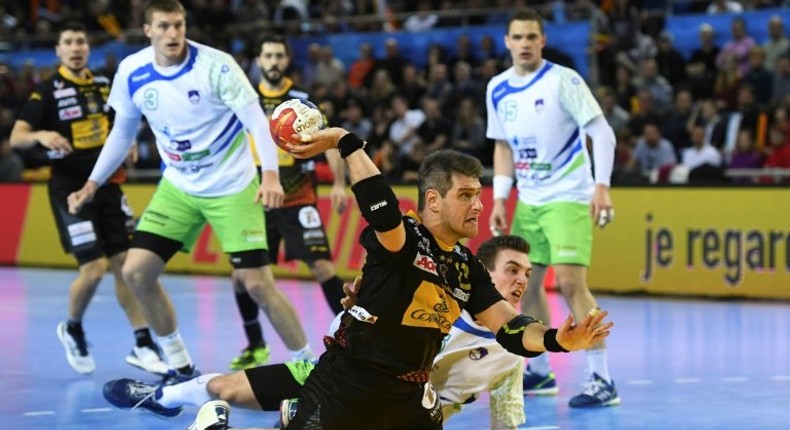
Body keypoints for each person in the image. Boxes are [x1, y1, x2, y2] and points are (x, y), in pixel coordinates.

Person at [211, 129, 610, 428]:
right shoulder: (405, 237)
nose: (479, 204)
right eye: (467, 195)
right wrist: (346, 143)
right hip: (348, 384)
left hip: (410, 397)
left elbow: (509, 327)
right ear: (433, 199)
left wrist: (560, 339)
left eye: (479, 194)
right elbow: (380, 209)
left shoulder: (467, 267)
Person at [66, 0, 313, 382]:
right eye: (163, 26)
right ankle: (179, 363)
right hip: (179, 187)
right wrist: (92, 183)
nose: (172, 34)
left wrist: (270, 175)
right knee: (136, 272)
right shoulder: (132, 71)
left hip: (232, 186)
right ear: (148, 30)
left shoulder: (217, 66)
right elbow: (122, 133)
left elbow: (255, 121)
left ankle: (310, 367)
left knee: (257, 285)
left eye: (178, 25)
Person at [102, 234, 537, 430]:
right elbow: (350, 331)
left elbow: (506, 419)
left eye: (528, 274)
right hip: (340, 377)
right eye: (511, 270)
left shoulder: (513, 347)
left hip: (400, 416)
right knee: (223, 387)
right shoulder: (426, 299)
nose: (521, 282)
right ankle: (158, 397)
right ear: (482, 275)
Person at [8, 21, 167, 376]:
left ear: (87, 48)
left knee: (126, 267)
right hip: (69, 190)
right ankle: (73, 328)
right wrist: (43, 134)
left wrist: (125, 145)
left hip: (107, 186)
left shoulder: (102, 86)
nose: (76, 47)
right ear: (58, 51)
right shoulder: (46, 92)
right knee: (93, 271)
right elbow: (17, 137)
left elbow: (120, 124)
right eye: (69, 42)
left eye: (81, 41)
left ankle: (142, 341)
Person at [486, 9, 620, 408]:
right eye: (518, 37)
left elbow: (603, 132)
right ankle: (540, 370)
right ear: (507, 42)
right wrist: (498, 197)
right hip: (529, 199)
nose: (525, 43)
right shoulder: (497, 88)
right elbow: (502, 147)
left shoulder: (564, 79)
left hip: (569, 196)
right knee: (523, 286)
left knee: (570, 284)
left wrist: (602, 186)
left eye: (532, 36)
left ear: (542, 40)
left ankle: (602, 380)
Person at [229, 34, 348, 372]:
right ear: (259, 61)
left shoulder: (302, 102)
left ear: (287, 60)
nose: (274, 61)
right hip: (256, 196)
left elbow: (328, 142)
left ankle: (350, 334)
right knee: (241, 275)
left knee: (323, 267)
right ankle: (255, 345)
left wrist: (339, 183)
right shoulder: (245, 99)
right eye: (268, 55)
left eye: (279, 55)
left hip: (298, 197)